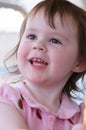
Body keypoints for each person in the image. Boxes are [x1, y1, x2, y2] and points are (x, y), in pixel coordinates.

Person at [0, 0, 86, 129]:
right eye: (32, 36)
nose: (38, 45)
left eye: (54, 40)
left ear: (79, 62)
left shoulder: (79, 116)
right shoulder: (7, 99)